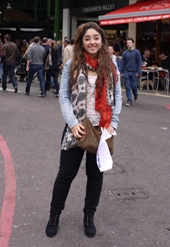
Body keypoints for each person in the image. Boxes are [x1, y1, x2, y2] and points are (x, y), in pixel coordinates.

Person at [45, 22, 122, 238]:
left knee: (95, 176)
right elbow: (64, 96)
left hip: (101, 129)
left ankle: (89, 216)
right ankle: (54, 215)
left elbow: (117, 96)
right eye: (87, 38)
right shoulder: (72, 64)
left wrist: (113, 123)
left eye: (96, 38)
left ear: (102, 40)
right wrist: (72, 122)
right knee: (65, 175)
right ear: (81, 41)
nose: (92, 42)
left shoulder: (111, 66)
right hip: (76, 128)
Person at [120, 38, 142, 106]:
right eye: (127, 43)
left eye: (129, 43)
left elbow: (139, 63)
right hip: (126, 71)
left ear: (133, 43)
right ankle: (129, 100)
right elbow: (122, 63)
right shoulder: (125, 53)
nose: (128, 44)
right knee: (127, 87)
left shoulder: (137, 52)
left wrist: (138, 72)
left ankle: (135, 94)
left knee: (134, 86)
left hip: (134, 72)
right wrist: (121, 71)